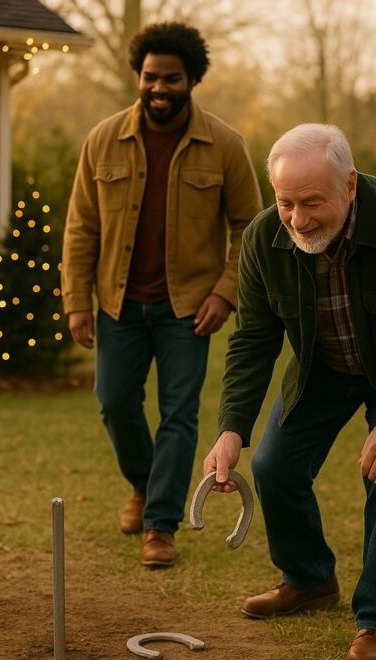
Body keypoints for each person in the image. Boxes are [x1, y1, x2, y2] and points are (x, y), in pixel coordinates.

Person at [205, 124, 376, 660]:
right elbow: (254, 340)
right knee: (274, 465)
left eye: (312, 203)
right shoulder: (264, 238)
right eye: (286, 203)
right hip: (323, 368)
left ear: (350, 185)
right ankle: (309, 580)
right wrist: (230, 428)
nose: (299, 219)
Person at [62, 21, 262, 568]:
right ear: (138, 75)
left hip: (188, 309)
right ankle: (144, 484)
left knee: (179, 413)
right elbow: (80, 226)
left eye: (171, 78)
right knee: (114, 403)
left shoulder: (224, 145)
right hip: (116, 303)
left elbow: (251, 227)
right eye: (150, 76)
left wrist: (225, 292)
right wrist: (77, 298)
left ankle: (160, 523)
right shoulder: (103, 139)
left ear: (191, 79)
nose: (159, 87)